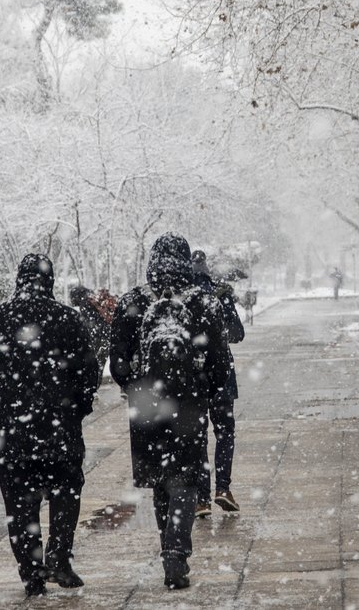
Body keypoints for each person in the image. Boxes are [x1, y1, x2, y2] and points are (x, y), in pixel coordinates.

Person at [0, 254, 99, 597]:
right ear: (50, 280)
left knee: (19, 503)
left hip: (15, 433)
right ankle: (58, 554)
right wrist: (76, 410)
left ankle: (31, 570)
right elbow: (89, 372)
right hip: (61, 429)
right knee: (65, 492)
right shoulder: (68, 319)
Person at [110, 233, 232, 590]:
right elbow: (221, 364)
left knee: (161, 480)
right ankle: (176, 551)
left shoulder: (133, 302)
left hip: (146, 404)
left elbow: (117, 363)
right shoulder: (203, 303)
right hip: (189, 404)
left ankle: (169, 545)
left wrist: (136, 383)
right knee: (187, 478)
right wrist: (201, 383)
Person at [190, 250, 244, 518]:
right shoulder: (219, 295)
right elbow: (238, 333)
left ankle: (201, 499)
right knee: (224, 433)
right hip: (222, 375)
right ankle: (223, 488)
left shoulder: (182, 299)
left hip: (194, 376)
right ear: (206, 269)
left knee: (198, 437)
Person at [69, 285, 110, 380]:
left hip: (97, 339)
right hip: (106, 337)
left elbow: (90, 325)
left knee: (92, 367)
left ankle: (93, 389)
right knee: (99, 366)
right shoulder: (94, 299)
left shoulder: (85, 304)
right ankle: (94, 387)